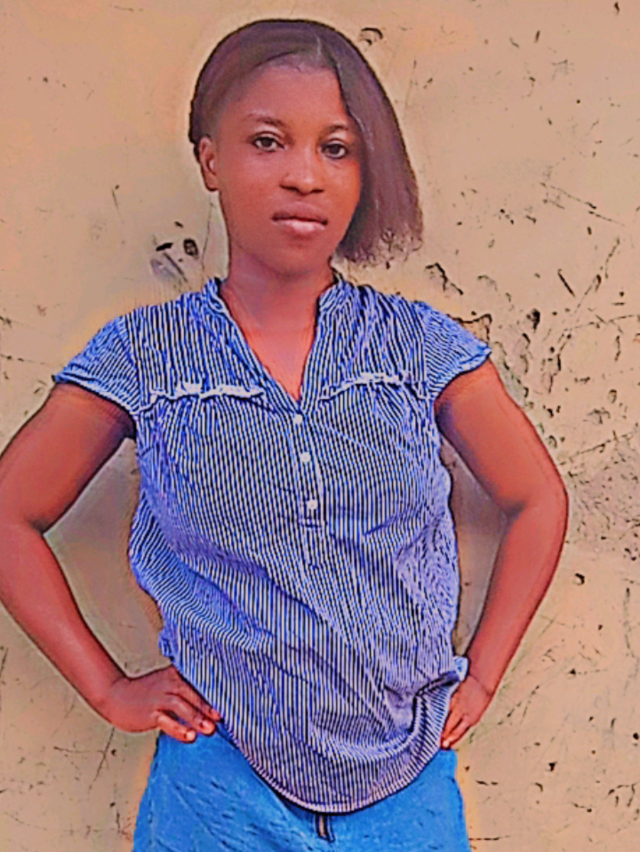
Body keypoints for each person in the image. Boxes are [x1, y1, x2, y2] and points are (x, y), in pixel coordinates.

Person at [0, 18, 568, 852]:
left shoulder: (417, 349)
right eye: (267, 141)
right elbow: (10, 514)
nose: (304, 175)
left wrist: (482, 675)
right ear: (210, 160)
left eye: (336, 149)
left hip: (405, 783)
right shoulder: (147, 358)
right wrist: (108, 688)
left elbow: (538, 497)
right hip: (219, 787)